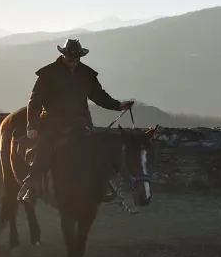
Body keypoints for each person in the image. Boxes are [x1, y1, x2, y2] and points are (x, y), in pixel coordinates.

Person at [16, 38, 135, 203]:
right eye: (70, 56)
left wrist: (118, 105)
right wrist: (32, 126)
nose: (73, 60)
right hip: (53, 121)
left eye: (76, 57)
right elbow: (34, 102)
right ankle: (32, 185)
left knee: (95, 148)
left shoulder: (87, 74)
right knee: (44, 149)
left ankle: (104, 185)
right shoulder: (48, 74)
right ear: (64, 55)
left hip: (80, 121)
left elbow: (99, 96)